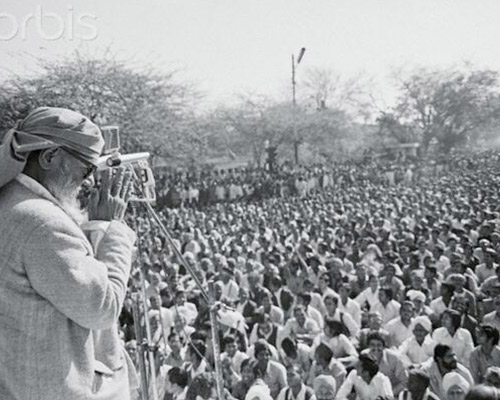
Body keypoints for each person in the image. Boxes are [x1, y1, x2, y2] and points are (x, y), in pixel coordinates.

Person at [0, 107, 137, 400]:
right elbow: (103, 308)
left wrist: (95, 226)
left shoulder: (11, 201)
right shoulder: (41, 222)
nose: (89, 181)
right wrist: (114, 229)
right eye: (86, 168)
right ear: (49, 157)